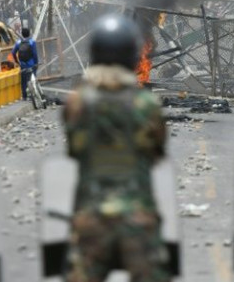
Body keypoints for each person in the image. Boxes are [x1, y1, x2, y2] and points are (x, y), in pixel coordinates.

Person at [62, 14, 171, 282]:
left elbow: (75, 151)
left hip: (91, 219)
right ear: (132, 56)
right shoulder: (145, 105)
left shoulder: (78, 103)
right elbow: (157, 152)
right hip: (139, 220)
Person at [13, 28, 39, 100]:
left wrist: (17, 61)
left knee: (23, 80)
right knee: (32, 78)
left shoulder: (18, 42)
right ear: (29, 34)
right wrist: (36, 63)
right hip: (31, 64)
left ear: (22, 34)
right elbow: (34, 54)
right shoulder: (32, 42)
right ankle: (33, 95)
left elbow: (13, 53)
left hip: (23, 64)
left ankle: (24, 96)